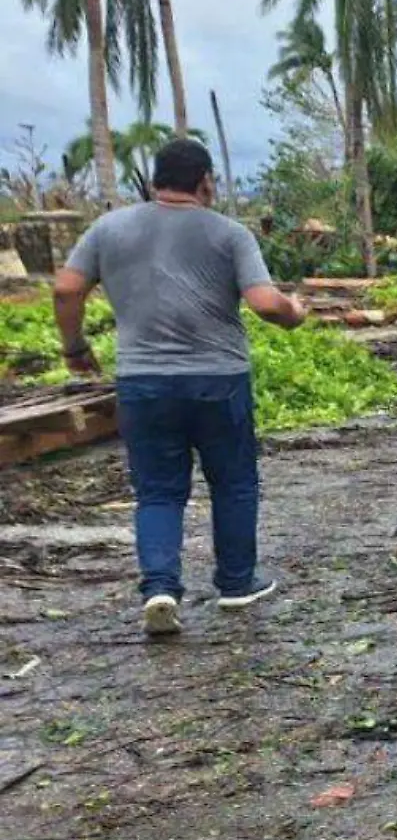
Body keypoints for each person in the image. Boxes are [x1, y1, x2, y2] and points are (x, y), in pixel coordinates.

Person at [52, 139, 308, 636]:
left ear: (154, 182)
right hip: (219, 380)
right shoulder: (229, 233)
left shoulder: (108, 229)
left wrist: (74, 348)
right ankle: (236, 583)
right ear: (206, 181)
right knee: (233, 482)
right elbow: (265, 303)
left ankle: (161, 588)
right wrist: (294, 312)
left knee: (158, 493)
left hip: (143, 383)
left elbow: (65, 288)